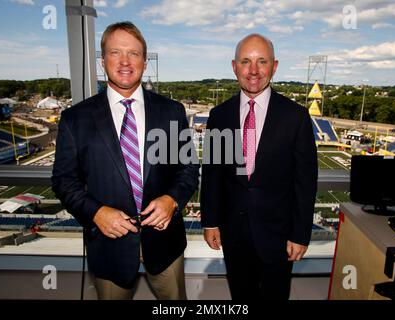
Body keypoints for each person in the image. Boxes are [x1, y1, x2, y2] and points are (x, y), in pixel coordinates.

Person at [52, 21, 199, 300]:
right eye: (115, 52)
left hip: (165, 242)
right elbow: (63, 181)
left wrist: (172, 200)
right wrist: (96, 212)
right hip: (109, 246)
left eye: (133, 53)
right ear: (102, 60)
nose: (124, 61)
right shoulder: (76, 118)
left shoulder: (171, 111)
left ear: (144, 62)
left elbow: (189, 168)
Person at [200, 34, 318, 300]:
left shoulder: (296, 116)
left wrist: (300, 234)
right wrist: (210, 221)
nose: (253, 71)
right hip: (233, 232)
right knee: (241, 296)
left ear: (274, 66)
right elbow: (213, 175)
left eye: (261, 61)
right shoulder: (220, 115)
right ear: (234, 67)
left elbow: (305, 182)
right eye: (246, 61)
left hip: (279, 236)